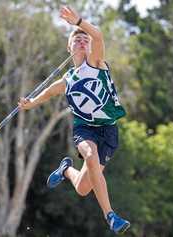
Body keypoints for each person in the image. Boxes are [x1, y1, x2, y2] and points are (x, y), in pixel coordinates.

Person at [18, 6, 130, 234]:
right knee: (90, 155)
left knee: (82, 188)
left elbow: (97, 35)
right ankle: (111, 215)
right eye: (76, 39)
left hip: (108, 130)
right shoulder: (67, 79)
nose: (82, 41)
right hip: (85, 128)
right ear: (69, 47)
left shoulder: (96, 63)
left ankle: (67, 169)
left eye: (84, 39)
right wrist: (31, 103)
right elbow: (49, 91)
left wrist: (78, 21)